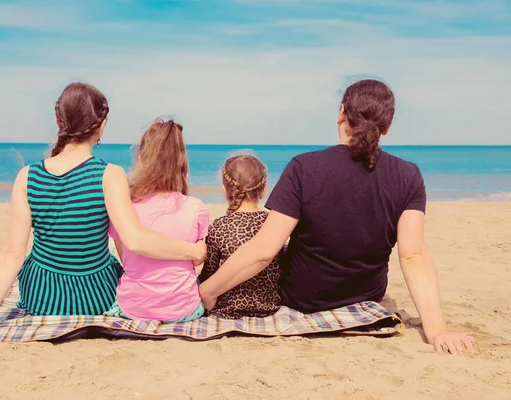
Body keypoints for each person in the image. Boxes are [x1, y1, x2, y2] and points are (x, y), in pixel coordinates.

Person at [199, 79, 476, 354]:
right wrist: (438, 330)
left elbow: (263, 251)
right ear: (387, 126)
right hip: (367, 297)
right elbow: (413, 255)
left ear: (342, 113)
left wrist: (209, 290)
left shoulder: (304, 167)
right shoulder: (408, 175)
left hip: (304, 299)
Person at [0, 83, 206, 336]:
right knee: (113, 266)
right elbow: (135, 240)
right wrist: (193, 251)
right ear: (102, 126)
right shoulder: (108, 174)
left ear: (58, 121)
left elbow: (12, 254)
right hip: (93, 295)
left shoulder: (28, 176)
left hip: (41, 296)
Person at [106, 118, 209, 323]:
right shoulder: (196, 207)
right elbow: (197, 260)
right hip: (183, 310)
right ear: (181, 161)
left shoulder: (126, 208)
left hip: (133, 307)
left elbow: (125, 258)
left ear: (143, 156)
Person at [199, 155, 281, 319]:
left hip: (228, 309)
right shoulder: (273, 224)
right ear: (264, 189)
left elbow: (209, 274)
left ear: (224, 189)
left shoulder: (218, 227)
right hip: (269, 306)